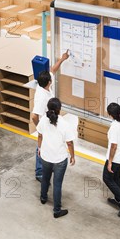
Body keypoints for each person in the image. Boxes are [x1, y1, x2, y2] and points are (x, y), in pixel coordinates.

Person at [31, 51, 69, 182]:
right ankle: (40, 172)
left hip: (50, 121)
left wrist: (62, 59)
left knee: (49, 144)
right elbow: (34, 116)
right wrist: (39, 128)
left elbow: (53, 69)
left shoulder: (45, 85)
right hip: (45, 124)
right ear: (48, 82)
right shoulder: (41, 98)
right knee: (41, 146)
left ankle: (47, 166)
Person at [37, 98, 76, 218]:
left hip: (45, 156)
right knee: (57, 184)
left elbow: (39, 135)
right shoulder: (65, 124)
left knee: (45, 178)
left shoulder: (43, 119)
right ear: (59, 110)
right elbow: (69, 143)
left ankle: (43, 198)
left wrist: (39, 149)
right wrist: (72, 156)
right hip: (59, 159)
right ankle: (57, 210)